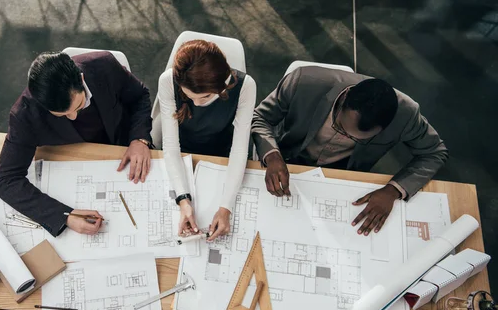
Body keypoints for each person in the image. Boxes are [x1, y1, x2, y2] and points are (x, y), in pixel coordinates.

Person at [251, 66, 448, 236]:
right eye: (339, 126)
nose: (345, 137)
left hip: (343, 174)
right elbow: (260, 117)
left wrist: (393, 190)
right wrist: (272, 155)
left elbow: (434, 152)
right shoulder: (303, 81)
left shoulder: (406, 115)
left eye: (355, 139)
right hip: (287, 158)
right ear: (344, 98)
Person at [0, 51, 153, 237]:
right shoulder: (25, 114)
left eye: (79, 106)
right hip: (76, 166)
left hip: (124, 147)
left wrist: (139, 139)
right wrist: (65, 216)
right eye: (62, 115)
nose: (74, 117)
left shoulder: (104, 66)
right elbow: (6, 180)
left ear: (81, 79)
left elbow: (140, 97)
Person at [156, 40, 256, 241]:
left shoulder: (246, 86)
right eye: (188, 96)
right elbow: (171, 147)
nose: (196, 104)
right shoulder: (168, 80)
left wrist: (226, 207)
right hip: (183, 151)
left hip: (222, 153)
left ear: (224, 83)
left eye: (205, 97)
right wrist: (183, 200)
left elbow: (238, 151)